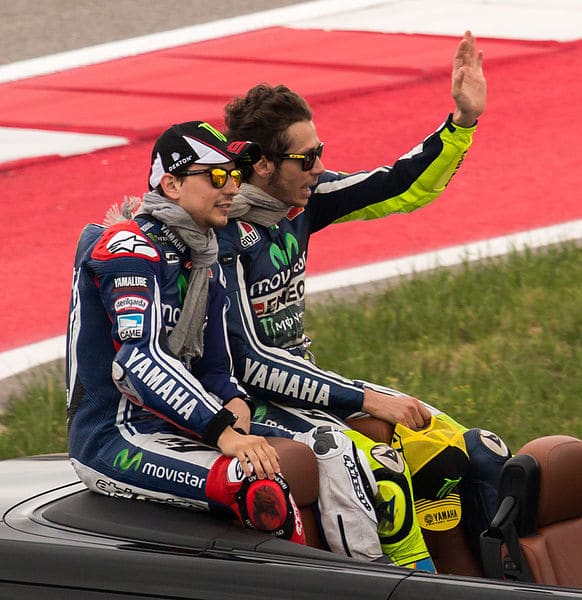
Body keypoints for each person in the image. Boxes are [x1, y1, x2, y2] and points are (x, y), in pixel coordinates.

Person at [215, 31, 511, 565]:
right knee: (384, 479)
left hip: (309, 385)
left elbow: (399, 185)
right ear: (262, 164)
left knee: (463, 452)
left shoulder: (303, 200)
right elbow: (250, 363)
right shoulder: (219, 234)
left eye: (320, 153)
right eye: (307, 158)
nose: (319, 168)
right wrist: (366, 399)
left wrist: (462, 123)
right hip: (248, 398)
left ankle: (502, 579)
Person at [66, 120, 398, 561]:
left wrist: (233, 399)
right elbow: (137, 362)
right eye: (216, 176)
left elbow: (217, 368)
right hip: (116, 437)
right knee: (257, 486)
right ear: (172, 184)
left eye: (235, 175)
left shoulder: (203, 252)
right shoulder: (128, 247)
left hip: (180, 424)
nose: (232, 189)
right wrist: (222, 429)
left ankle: (378, 575)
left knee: (335, 451)